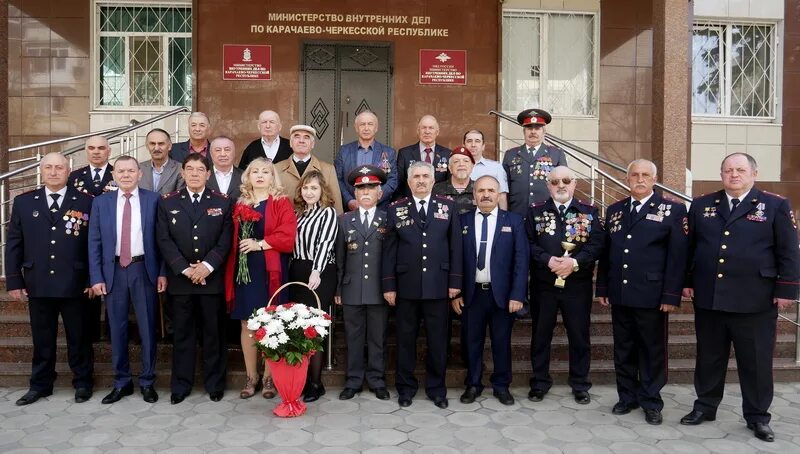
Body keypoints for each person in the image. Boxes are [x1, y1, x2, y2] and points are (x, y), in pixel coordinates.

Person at [680, 153, 800, 442]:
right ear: (721, 174)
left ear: (754, 173)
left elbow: (789, 250)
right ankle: (706, 406)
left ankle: (757, 417)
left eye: (740, 170)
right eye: (728, 170)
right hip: (711, 297)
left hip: (755, 300)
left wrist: (786, 289)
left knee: (756, 362)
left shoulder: (775, 205)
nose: (734, 175)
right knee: (709, 357)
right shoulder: (702, 205)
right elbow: (689, 248)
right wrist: (686, 282)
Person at [595, 159, 689, 425]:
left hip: (652, 294)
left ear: (654, 179)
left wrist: (671, 295)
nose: (639, 179)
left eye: (645, 175)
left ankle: (651, 400)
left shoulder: (672, 209)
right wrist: (602, 286)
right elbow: (607, 252)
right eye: (634, 174)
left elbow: (678, 256)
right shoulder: (615, 210)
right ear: (627, 179)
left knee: (651, 349)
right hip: (620, 292)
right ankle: (627, 396)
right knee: (623, 348)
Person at [6, 152, 95, 405]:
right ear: (41, 171)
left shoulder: (86, 201)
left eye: (59, 168)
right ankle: (40, 384)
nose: (54, 172)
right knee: (42, 338)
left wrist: (91, 277)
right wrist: (14, 280)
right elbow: (14, 243)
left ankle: (83, 382)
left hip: (75, 282)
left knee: (79, 337)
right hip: (38, 281)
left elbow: (93, 243)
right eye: (48, 167)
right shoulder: (24, 202)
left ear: (69, 171)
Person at [382, 161, 463, 409]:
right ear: (408, 181)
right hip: (406, 287)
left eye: (425, 176)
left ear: (433, 180)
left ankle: (436, 389)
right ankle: (405, 388)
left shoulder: (448, 207)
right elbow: (389, 252)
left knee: (438, 341)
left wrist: (455, 282)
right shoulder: (396, 209)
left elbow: (456, 247)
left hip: (439, 286)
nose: (420, 180)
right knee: (405, 340)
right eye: (416, 176)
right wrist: (388, 286)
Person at [87, 156, 166, 404]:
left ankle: (147, 381)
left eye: (131, 171)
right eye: (120, 171)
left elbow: (163, 240)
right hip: (114, 272)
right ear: (114, 174)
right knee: (117, 329)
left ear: (139, 174)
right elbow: (94, 242)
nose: (126, 175)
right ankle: (121, 382)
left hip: (144, 270)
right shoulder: (101, 203)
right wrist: (96, 276)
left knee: (147, 328)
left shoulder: (154, 200)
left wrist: (163, 271)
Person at [156, 153, 233, 404]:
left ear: (208, 174)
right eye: (190, 169)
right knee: (182, 335)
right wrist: (185, 269)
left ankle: (214, 384)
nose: (195, 173)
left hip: (211, 281)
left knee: (213, 335)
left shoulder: (223, 202)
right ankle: (181, 385)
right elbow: (164, 240)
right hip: (181, 281)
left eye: (200, 169)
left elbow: (225, 239)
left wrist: (207, 266)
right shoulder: (168, 202)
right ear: (182, 173)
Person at [526, 166, 604, 404]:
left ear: (574, 184)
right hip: (544, 285)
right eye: (555, 181)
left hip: (576, 287)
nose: (561, 185)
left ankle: (580, 384)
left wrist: (574, 262)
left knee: (579, 336)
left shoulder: (589, 212)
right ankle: (540, 382)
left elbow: (598, 244)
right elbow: (527, 243)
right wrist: (548, 259)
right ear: (548, 185)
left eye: (566, 180)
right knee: (540, 335)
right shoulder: (535, 212)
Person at [224, 158, 297, 400]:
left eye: (265, 171)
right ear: (248, 176)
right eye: (254, 171)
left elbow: (288, 237)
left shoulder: (281, 202)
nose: (259, 175)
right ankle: (250, 376)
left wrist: (259, 244)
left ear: (272, 176)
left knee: (270, 323)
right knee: (247, 323)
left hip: (270, 269)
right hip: (245, 270)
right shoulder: (240, 203)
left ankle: (268, 377)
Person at [452, 175, 528, 406]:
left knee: (501, 342)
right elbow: (455, 259)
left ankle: (501, 385)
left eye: (491, 190)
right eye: (481, 190)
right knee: (472, 342)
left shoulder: (513, 221)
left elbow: (521, 260)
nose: (486, 194)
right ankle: (473, 384)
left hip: (503, 296)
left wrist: (517, 295)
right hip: (471, 294)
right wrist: (455, 293)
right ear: (473, 195)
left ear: (498, 194)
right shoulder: (462, 221)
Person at [334, 165, 391, 401]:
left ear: (380, 192)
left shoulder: (388, 219)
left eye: (371, 187)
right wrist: (338, 289)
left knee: (377, 337)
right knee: (353, 337)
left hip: (379, 290)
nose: (366, 192)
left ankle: (377, 380)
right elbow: (339, 258)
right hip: (351, 288)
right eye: (361, 188)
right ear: (355, 194)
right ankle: (354, 380)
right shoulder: (344, 221)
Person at [290, 169, 340, 402]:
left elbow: (326, 243)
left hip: (318, 272)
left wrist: (316, 271)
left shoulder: (327, 212)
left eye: (314, 188)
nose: (309, 192)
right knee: (300, 327)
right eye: (306, 188)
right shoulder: (297, 213)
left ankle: (315, 383)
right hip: (297, 270)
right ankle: (302, 378)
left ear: (322, 191)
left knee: (315, 328)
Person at [69, 135, 114, 342]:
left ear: (109, 151)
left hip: (115, 238)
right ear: (86, 151)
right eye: (92, 148)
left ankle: (113, 333)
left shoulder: (119, 173)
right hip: (83, 236)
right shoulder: (74, 176)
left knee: (115, 290)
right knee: (88, 288)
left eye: (101, 148)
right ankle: (92, 333)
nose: (96, 152)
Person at [503, 109, 568, 216]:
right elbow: (505, 187)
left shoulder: (556, 154)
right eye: (529, 128)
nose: (533, 132)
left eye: (537, 128)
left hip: (547, 214)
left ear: (544, 132)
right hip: (517, 213)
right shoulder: (510, 155)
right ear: (524, 131)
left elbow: (564, 186)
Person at [334, 111, 398, 211]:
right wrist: (349, 201)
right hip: (351, 210)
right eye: (362, 124)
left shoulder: (389, 152)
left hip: (379, 209)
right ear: (356, 128)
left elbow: (392, 180)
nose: (366, 128)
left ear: (376, 128)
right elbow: (337, 180)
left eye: (370, 124)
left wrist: (375, 198)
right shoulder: (344, 151)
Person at [275, 125, 344, 213]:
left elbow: (336, 204)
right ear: (290, 143)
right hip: (284, 224)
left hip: (317, 225)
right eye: (297, 137)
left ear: (312, 144)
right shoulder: (276, 168)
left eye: (306, 137)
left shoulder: (328, 170)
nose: (301, 141)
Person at [395, 115, 451, 199]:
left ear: (437, 132)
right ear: (418, 131)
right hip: (411, 204)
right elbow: (399, 184)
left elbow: (449, 183)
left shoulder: (447, 154)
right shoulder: (404, 153)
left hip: (438, 205)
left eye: (431, 128)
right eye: (423, 128)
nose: (427, 131)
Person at [464, 129, 508, 210]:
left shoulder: (496, 167)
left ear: (483, 146)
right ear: (464, 145)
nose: (473, 144)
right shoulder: (456, 166)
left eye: (477, 141)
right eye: (469, 141)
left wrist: (503, 219)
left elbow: (501, 196)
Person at [432, 146, 476, 215]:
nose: (461, 164)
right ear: (450, 168)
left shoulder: (480, 189)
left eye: (466, 161)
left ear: (472, 166)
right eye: (456, 161)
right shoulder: (436, 189)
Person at [140, 128, 184, 195]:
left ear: (169, 146)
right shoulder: (139, 168)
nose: (156, 148)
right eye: (152, 143)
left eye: (161, 144)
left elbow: (180, 198)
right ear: (147, 146)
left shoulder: (180, 169)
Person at [207, 136, 244, 200]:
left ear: (234, 153)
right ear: (211, 153)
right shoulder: (202, 176)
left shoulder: (245, 176)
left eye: (227, 150)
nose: (223, 154)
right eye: (218, 150)